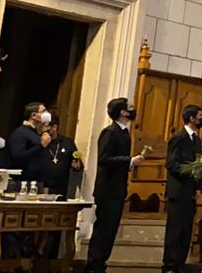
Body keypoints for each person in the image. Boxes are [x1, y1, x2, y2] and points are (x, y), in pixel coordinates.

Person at [85, 98, 144, 273]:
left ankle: (101, 263)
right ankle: (93, 266)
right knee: (103, 230)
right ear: (123, 112)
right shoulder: (110, 132)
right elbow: (104, 159)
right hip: (107, 190)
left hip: (117, 189)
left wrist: (130, 163)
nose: (133, 109)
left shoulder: (124, 132)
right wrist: (129, 160)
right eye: (130, 107)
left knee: (110, 231)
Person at [162, 105, 202, 273]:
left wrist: (199, 188)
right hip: (178, 192)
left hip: (190, 193)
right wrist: (189, 171)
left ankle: (180, 264)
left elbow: (199, 165)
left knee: (186, 232)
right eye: (200, 115)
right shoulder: (179, 138)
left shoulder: (197, 140)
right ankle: (169, 266)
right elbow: (171, 163)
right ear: (191, 118)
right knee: (175, 231)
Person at [7, 102, 51, 184]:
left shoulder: (35, 132)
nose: (47, 113)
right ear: (33, 115)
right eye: (43, 111)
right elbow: (18, 156)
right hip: (23, 181)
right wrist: (41, 146)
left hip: (37, 180)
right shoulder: (20, 133)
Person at [43, 115, 81, 198]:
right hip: (40, 186)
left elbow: (77, 163)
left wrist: (77, 166)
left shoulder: (67, 143)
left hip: (61, 188)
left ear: (54, 127)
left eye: (45, 126)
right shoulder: (37, 141)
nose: (42, 129)